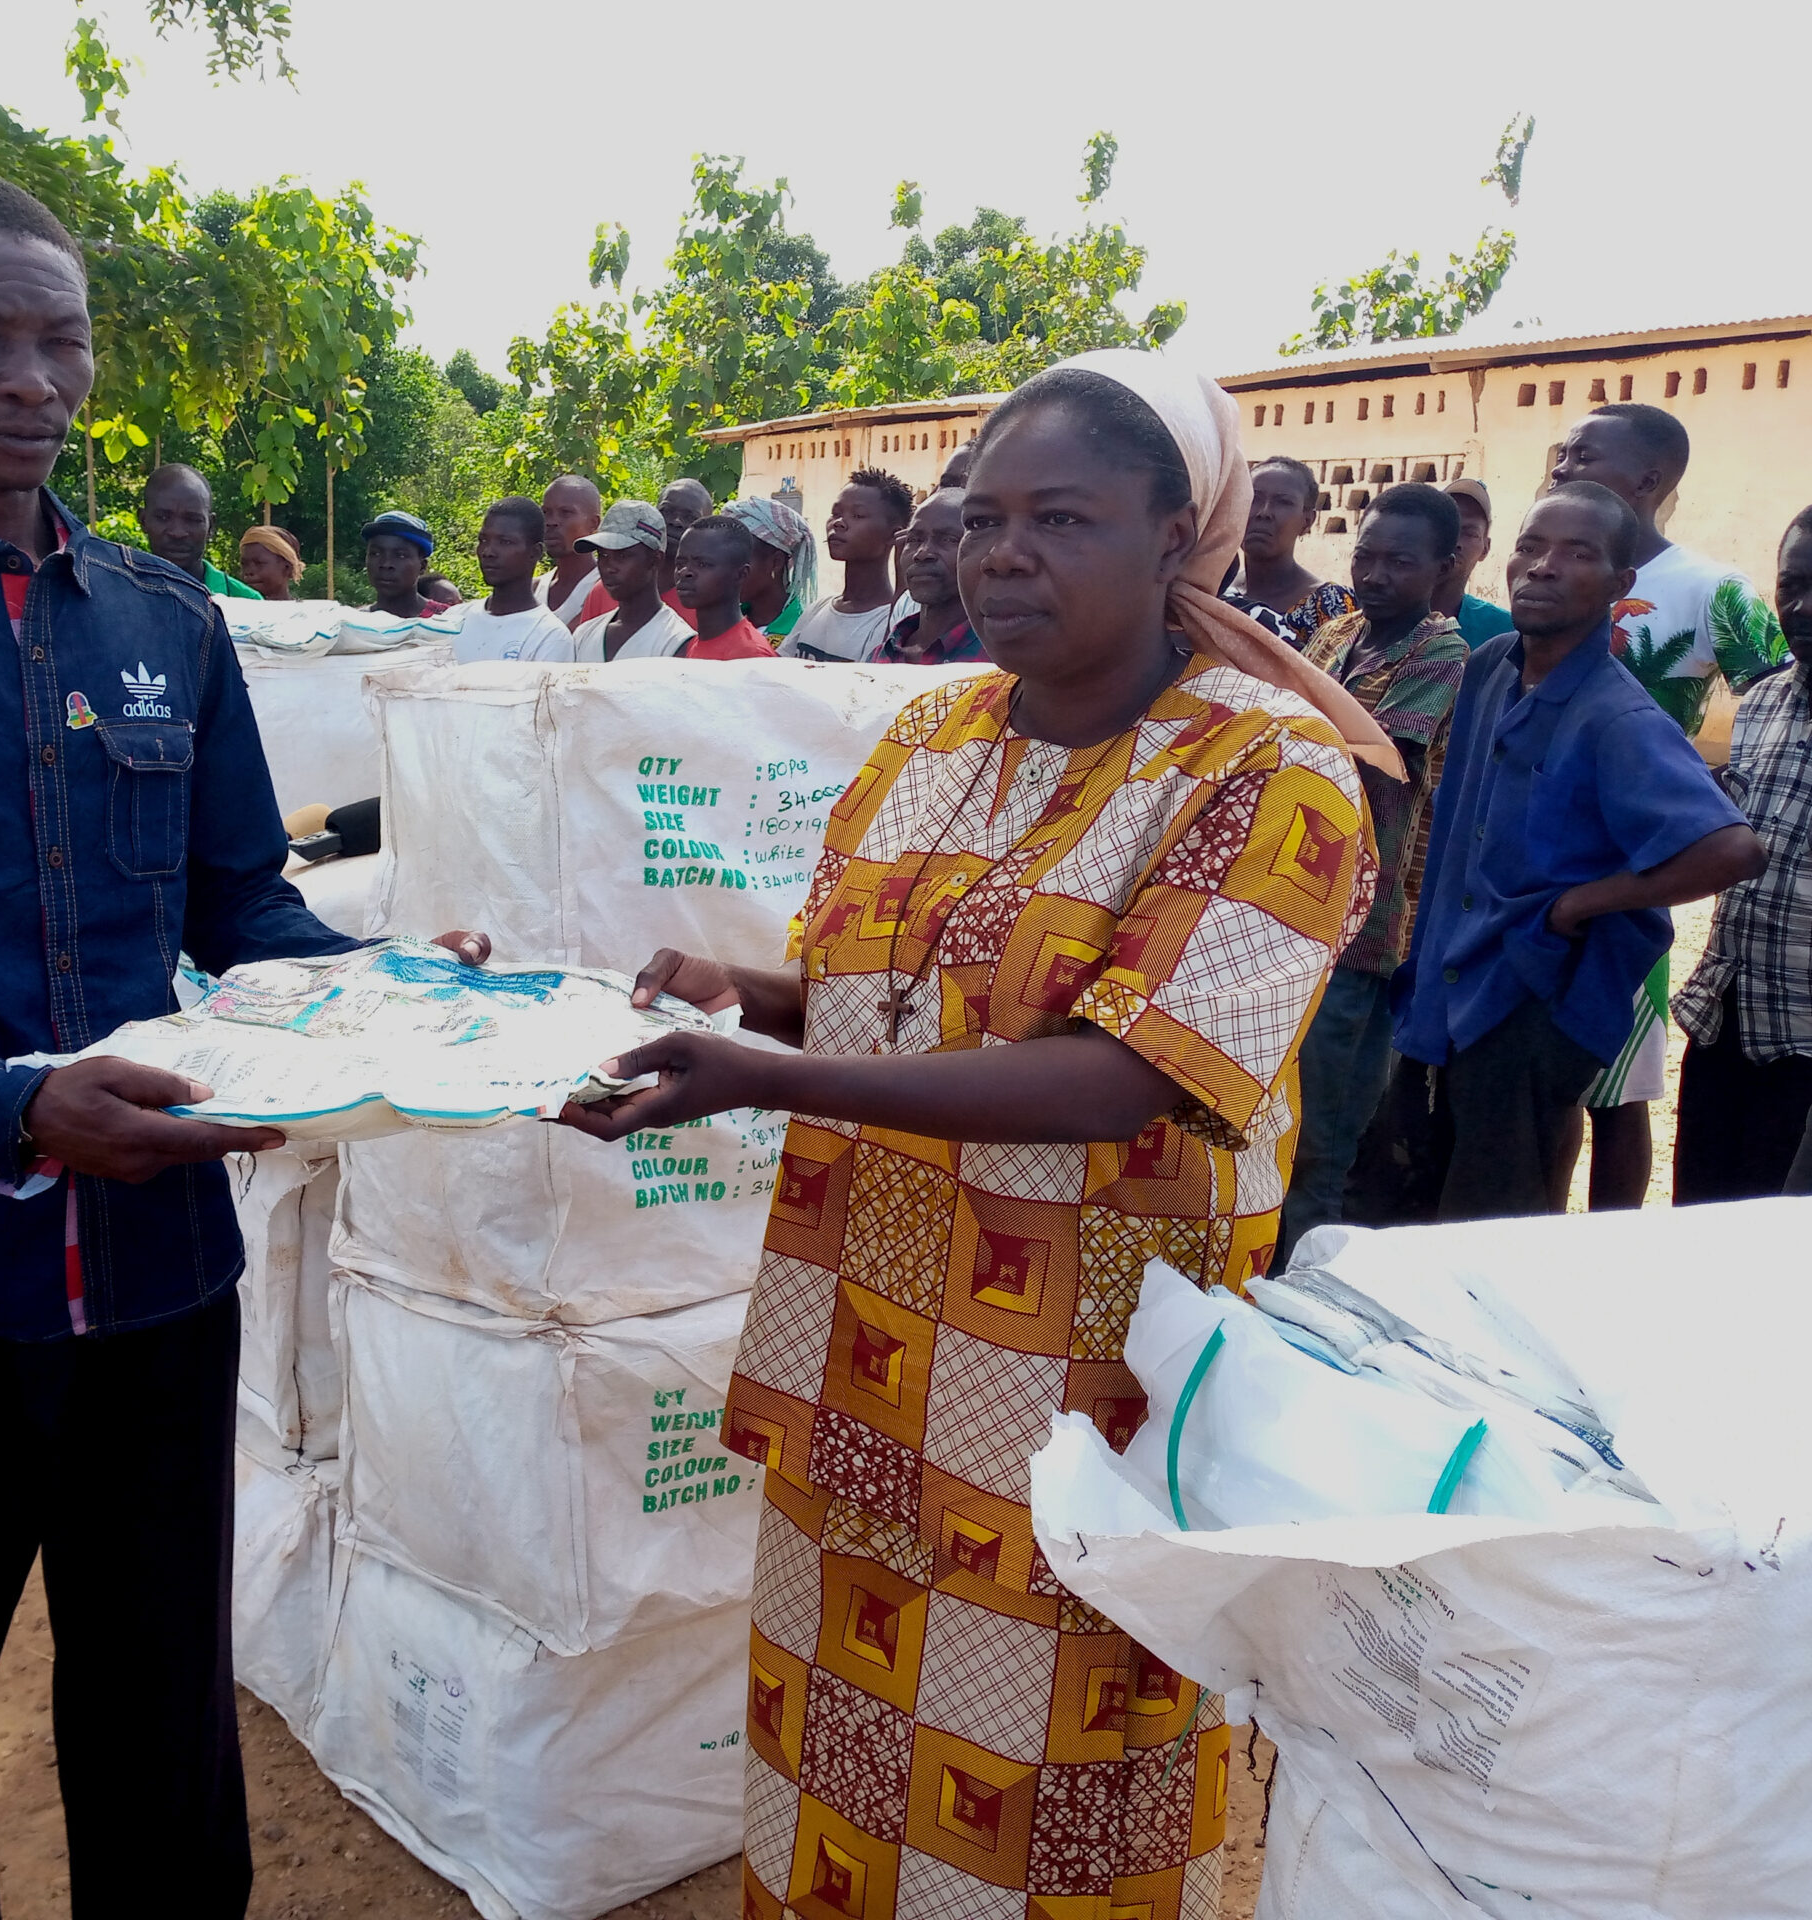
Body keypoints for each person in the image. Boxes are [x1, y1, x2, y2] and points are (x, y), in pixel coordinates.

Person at [0, 176, 487, 1919]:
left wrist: (402, 986)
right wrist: (7, 1107)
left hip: (151, 1287)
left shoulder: (165, 620)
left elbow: (239, 905)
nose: (28, 378)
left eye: (59, 340)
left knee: (159, 1713)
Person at [556, 352, 1383, 1920]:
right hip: (863, 1350)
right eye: (982, 516)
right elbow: (909, 1002)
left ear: (1177, 541)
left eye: (1060, 518)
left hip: (1074, 1391)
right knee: (840, 1760)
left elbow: (1124, 1075)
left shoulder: (1268, 770)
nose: (1002, 553)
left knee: (1049, 1791)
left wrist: (766, 1081)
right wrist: (758, 998)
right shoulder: (934, 733)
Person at [1388, 482, 1762, 1221]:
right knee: (1405, 1197)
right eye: (1531, 546)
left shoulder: (1615, 713)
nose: (1543, 566)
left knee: (1489, 1223)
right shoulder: (1494, 665)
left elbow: (1731, 849)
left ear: (1621, 587)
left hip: (1531, 996)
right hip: (1448, 978)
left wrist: (1579, 905)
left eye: (1577, 553)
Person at [1549, 403, 1787, 1207]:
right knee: (1536, 1081)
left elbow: (1780, 701)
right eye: (1560, 453)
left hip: (1632, 875)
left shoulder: (1708, 587)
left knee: (1617, 1084)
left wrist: (1704, 798)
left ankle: (1613, 1250)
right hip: (1536, 864)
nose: (1561, 466)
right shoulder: (1549, 568)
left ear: (1648, 479)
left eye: (1583, 454)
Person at [1276, 485, 1473, 1260]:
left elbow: (1377, 756)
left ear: (1443, 567)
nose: (1377, 573)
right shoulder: (1339, 633)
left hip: (1362, 928)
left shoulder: (1439, 650)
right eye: (1366, 555)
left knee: (1323, 1140)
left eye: (1401, 561)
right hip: (1296, 910)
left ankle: (1297, 1302)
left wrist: (1286, 727)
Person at [1668, 506, 1812, 1203]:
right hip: (1728, 1020)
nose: (1802, 607)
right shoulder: (1761, 705)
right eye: (1792, 586)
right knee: (1703, 1230)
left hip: (1806, 1038)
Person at [782, 469, 912, 662]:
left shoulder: (894, 621)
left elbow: (886, 672)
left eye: (858, 515)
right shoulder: (817, 610)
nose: (838, 523)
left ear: (895, 535)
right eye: (835, 513)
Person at [1235, 456, 1353, 647]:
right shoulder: (1217, 592)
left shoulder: (1329, 605)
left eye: (1283, 502)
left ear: (1307, 521)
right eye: (1254, 498)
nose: (1264, 512)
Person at [866, 487, 983, 666]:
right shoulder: (882, 655)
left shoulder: (997, 661)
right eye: (914, 539)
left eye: (948, 539)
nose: (922, 553)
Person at [452, 498, 575, 663]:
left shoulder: (549, 636)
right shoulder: (454, 620)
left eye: (505, 542)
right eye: (483, 540)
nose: (488, 552)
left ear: (535, 552)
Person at [568, 502, 687, 661]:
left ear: (655, 560)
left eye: (622, 556)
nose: (609, 567)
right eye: (603, 555)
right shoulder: (583, 636)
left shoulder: (676, 641)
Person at [139, 462, 260, 598]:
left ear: (211, 527)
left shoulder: (246, 602)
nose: (178, 533)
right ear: (143, 520)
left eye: (193, 520)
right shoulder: (119, 593)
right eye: (163, 517)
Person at [667, 517, 779, 660]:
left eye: (703, 564)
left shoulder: (750, 656)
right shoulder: (694, 642)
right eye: (680, 564)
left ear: (740, 574)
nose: (684, 572)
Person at [727, 494, 818, 640]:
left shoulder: (804, 631)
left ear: (776, 562)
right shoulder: (725, 621)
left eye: (738, 559)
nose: (727, 570)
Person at [1437, 478, 1511, 648]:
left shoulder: (1503, 630)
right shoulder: (1381, 613)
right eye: (1446, 528)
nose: (1455, 542)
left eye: (1469, 533)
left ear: (1485, 548)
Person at [537, 475, 613, 629]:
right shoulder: (534, 589)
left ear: (593, 523)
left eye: (565, 513)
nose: (551, 522)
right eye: (546, 512)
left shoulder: (607, 590)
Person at [359, 511, 442, 618]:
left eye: (400, 555)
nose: (386, 564)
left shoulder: (447, 622)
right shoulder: (351, 624)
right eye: (376, 553)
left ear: (422, 566)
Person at [655, 477, 714, 629]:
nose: (676, 522)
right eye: (667, 511)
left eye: (690, 517)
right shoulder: (609, 589)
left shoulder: (710, 605)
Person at [234, 524, 304, 602]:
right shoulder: (230, 610)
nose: (248, 572)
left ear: (287, 568)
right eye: (244, 564)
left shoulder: (307, 612)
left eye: (259, 563)